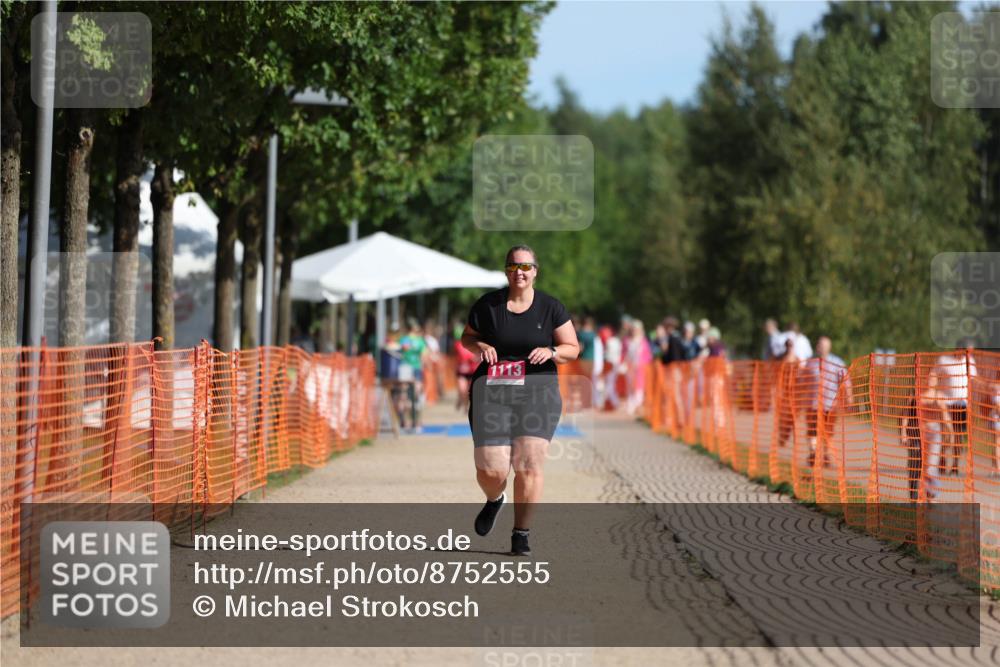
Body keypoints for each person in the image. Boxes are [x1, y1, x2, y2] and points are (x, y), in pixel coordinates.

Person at [460, 245, 579, 556]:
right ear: (506, 271)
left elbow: (572, 348)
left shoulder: (551, 308)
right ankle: (494, 498)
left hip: (538, 391)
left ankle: (521, 534)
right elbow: (467, 338)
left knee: (528, 464)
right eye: (514, 267)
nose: (520, 272)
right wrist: (481, 346)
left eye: (526, 266)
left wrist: (552, 352)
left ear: (535, 271)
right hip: (493, 391)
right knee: (491, 470)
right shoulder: (488, 305)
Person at [920, 339, 978, 498]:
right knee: (945, 436)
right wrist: (933, 389)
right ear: (959, 348)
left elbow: (974, 383)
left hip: (963, 404)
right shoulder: (944, 360)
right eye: (967, 350)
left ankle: (955, 465)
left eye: (971, 351)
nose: (969, 353)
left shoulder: (970, 362)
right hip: (946, 403)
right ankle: (942, 460)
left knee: (959, 437)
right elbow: (933, 374)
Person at [803, 336, 851, 468]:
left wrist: (849, 398)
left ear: (828, 347)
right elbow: (803, 380)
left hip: (830, 405)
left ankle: (824, 455)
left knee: (827, 433)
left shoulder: (837, 362)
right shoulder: (810, 362)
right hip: (812, 403)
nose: (820, 347)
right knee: (812, 431)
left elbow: (846, 381)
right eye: (819, 344)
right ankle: (813, 453)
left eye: (823, 345)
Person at [622, 319, 652, 415]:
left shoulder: (643, 341)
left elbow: (648, 356)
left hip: (640, 368)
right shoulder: (627, 340)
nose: (635, 331)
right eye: (634, 329)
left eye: (637, 329)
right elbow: (623, 353)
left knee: (639, 387)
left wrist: (642, 363)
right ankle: (631, 405)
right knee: (630, 386)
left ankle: (637, 405)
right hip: (630, 367)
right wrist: (623, 363)